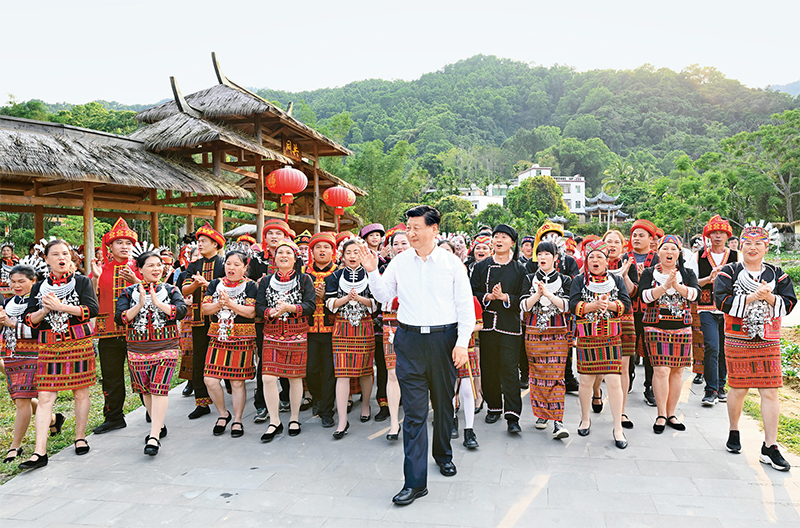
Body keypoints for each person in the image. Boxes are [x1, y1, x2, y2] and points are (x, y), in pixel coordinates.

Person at [359, 205, 475, 506]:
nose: (409, 233)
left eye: (415, 228)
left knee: (443, 403)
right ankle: (414, 482)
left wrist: (461, 343)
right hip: (408, 339)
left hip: (443, 340)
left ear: (433, 230)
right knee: (414, 414)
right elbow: (385, 297)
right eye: (407, 228)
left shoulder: (452, 264)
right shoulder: (400, 262)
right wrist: (373, 271)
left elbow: (465, 307)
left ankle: (443, 454)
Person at [715, 221, 795, 470]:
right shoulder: (729, 271)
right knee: (739, 388)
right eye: (747, 243)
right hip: (738, 338)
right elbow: (721, 301)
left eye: (758, 243)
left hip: (768, 339)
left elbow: (790, 302)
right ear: (740, 245)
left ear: (766, 246)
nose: (752, 247)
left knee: (770, 390)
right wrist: (750, 297)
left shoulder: (777, 274)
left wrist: (769, 297)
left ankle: (770, 446)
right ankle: (734, 430)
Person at [20, 240, 99, 469]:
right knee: (45, 397)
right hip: (49, 345)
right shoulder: (39, 287)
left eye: (65, 253)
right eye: (55, 254)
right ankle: (39, 452)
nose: (61, 257)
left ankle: (80, 436)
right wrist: (45, 309)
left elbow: (91, 310)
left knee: (80, 393)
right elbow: (29, 319)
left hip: (78, 342)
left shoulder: (81, 281)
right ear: (46, 259)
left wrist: (63, 307)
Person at [115, 252, 187, 455]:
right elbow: (120, 318)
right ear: (140, 269)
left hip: (166, 346)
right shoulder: (129, 293)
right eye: (151, 265)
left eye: (159, 265)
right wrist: (139, 305)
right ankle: (159, 424)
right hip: (137, 348)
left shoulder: (171, 289)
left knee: (159, 389)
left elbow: (181, 311)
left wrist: (158, 304)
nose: (157, 269)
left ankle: (154, 436)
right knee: (145, 390)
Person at [569, 239, 631, 450]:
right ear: (586, 260)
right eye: (591, 257)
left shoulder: (616, 280)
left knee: (614, 382)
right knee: (585, 380)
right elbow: (572, 305)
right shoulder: (579, 280)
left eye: (600, 257)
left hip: (611, 338)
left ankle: (617, 428)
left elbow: (627, 304)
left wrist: (611, 305)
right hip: (587, 337)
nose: (595, 260)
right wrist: (592, 306)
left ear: (607, 261)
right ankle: (585, 418)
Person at [0, 264, 64, 464]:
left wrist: (12, 323)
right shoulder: (9, 302)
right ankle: (54, 420)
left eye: (21, 281)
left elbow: (42, 331)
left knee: (22, 400)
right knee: (20, 398)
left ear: (33, 281)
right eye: (13, 281)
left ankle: (15, 446)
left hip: (35, 354)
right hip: (12, 354)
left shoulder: (40, 302)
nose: (16, 285)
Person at [256, 239, 316, 441]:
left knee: (294, 377)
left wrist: (290, 309)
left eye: (288, 253)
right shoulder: (265, 281)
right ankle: (274, 421)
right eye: (280, 252)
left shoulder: (305, 280)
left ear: (295, 258)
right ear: (274, 257)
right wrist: (270, 311)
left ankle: (294, 417)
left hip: (296, 334)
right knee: (267, 378)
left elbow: (310, 306)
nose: (283, 256)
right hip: (272, 333)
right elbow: (258, 307)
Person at [639, 236, 699, 434]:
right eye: (665, 248)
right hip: (656, 327)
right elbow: (645, 297)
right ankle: (661, 414)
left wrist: (677, 286)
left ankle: (672, 413)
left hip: (681, 326)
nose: (669, 252)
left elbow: (694, 295)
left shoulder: (687, 273)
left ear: (679, 253)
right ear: (658, 252)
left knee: (678, 371)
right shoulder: (649, 273)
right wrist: (665, 287)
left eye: (673, 249)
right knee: (661, 370)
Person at [470, 224, 526, 433]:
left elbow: (524, 297)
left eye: (504, 237)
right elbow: (472, 292)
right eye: (496, 237)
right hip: (486, 325)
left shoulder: (520, 269)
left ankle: (513, 415)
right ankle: (494, 407)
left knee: (510, 370)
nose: (499, 240)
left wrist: (505, 298)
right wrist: (488, 297)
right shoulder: (481, 266)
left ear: (512, 242)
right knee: (489, 368)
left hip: (510, 325)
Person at [90, 217, 141, 435]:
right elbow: (91, 301)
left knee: (142, 374)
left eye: (128, 243)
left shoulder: (140, 269)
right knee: (111, 377)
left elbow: (155, 293)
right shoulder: (100, 270)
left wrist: (136, 280)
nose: (124, 246)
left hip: (136, 331)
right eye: (119, 242)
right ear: (110, 246)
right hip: (108, 332)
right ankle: (114, 417)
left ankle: (152, 412)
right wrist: (95, 278)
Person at [520, 241, 573, 439]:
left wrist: (548, 294)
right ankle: (542, 414)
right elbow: (524, 306)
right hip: (534, 333)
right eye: (539, 254)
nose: (542, 257)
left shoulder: (566, 280)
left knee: (557, 375)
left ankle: (558, 421)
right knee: (537, 373)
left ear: (555, 258)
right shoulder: (528, 278)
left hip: (558, 333)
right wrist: (538, 294)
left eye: (547, 254)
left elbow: (567, 306)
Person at [202, 250, 257, 437]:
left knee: (237, 381)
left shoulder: (251, 286)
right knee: (210, 379)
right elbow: (205, 308)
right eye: (228, 263)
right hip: (218, 336)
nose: (231, 267)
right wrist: (219, 304)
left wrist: (229, 304)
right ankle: (223, 413)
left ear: (245, 267)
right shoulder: (215, 284)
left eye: (236, 264)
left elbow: (250, 312)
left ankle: (238, 420)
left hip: (242, 338)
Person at [325, 238, 377, 438]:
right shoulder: (335, 276)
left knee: (365, 369)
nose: (353, 256)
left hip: (364, 325)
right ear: (342, 255)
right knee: (342, 372)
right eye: (349, 253)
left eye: (357, 252)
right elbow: (329, 303)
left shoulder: (371, 275)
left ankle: (365, 405)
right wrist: (346, 298)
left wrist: (359, 299)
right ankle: (342, 421)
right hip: (342, 326)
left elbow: (376, 304)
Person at [687, 215, 738, 407]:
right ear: (708, 235)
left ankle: (721, 386)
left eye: (722, 233)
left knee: (725, 348)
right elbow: (691, 284)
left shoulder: (736, 256)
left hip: (728, 308)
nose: (718, 236)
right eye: (714, 233)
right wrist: (709, 278)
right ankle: (710, 390)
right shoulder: (698, 256)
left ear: (727, 235)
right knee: (712, 347)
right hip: (706, 308)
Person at [250, 219, 296, 418]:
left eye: (279, 234)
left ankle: (286, 396)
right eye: (271, 233)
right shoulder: (256, 259)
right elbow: (248, 282)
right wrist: (257, 283)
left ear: (286, 238)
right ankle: (261, 402)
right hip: (264, 317)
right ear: (265, 237)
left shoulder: (295, 257)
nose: (275, 237)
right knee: (265, 360)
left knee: (288, 356)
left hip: (289, 317)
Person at [182, 223, 226, 419]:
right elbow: (183, 290)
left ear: (216, 244)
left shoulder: (225, 264)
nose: (199, 245)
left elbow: (231, 288)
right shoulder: (193, 266)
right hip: (199, 320)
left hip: (222, 320)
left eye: (204, 242)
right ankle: (202, 401)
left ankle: (228, 393)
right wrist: (195, 284)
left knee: (223, 358)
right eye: (198, 242)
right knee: (199, 360)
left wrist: (209, 285)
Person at [379, 229, 412, 440]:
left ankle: (411, 418)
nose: (400, 247)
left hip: (415, 325)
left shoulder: (420, 266)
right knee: (392, 373)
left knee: (414, 374)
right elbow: (381, 297)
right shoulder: (386, 269)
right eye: (396, 244)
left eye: (404, 243)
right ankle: (393, 423)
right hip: (391, 324)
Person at [304, 232, 338, 428]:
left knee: (329, 371)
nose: (322, 250)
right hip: (308, 329)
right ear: (313, 251)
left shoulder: (338, 272)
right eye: (318, 247)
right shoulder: (304, 272)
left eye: (326, 247)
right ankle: (317, 397)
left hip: (332, 329)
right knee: (310, 370)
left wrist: (326, 297)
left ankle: (327, 410)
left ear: (333, 251)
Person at [603, 229, 636, 428]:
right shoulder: (595, 261)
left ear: (623, 245)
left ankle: (621, 411)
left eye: (617, 241)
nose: (612, 245)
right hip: (599, 319)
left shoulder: (628, 263)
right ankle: (597, 394)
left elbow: (632, 292)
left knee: (623, 366)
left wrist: (623, 275)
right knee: (598, 368)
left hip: (624, 317)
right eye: (609, 241)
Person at [626, 219, 660, 407]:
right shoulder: (626, 258)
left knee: (649, 349)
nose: (637, 239)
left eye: (641, 235)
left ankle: (650, 386)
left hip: (650, 310)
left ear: (650, 238)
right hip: (629, 310)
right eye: (634, 235)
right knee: (629, 347)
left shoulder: (657, 259)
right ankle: (629, 376)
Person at [177, 245, 199, 396]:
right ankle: (190, 381)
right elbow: (176, 294)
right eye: (194, 256)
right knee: (188, 349)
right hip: (188, 314)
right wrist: (185, 301)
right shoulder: (184, 274)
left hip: (206, 312)